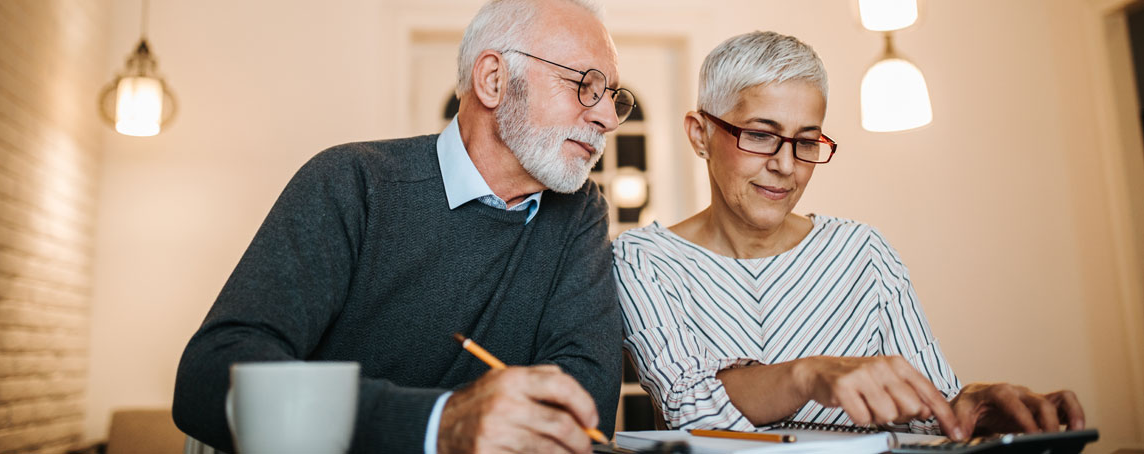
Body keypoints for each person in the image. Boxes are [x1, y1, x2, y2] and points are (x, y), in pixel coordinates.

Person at [172, 1, 637, 453]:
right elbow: (210, 380)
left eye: (613, 96)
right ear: (494, 80)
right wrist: (439, 425)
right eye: (585, 85)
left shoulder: (579, 213)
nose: (608, 118)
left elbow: (582, 409)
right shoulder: (353, 182)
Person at [612, 31, 1084, 442]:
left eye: (806, 141)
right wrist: (808, 375)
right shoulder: (643, 259)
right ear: (699, 135)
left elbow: (929, 414)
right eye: (760, 135)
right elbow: (690, 408)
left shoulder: (864, 252)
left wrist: (975, 407)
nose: (785, 164)